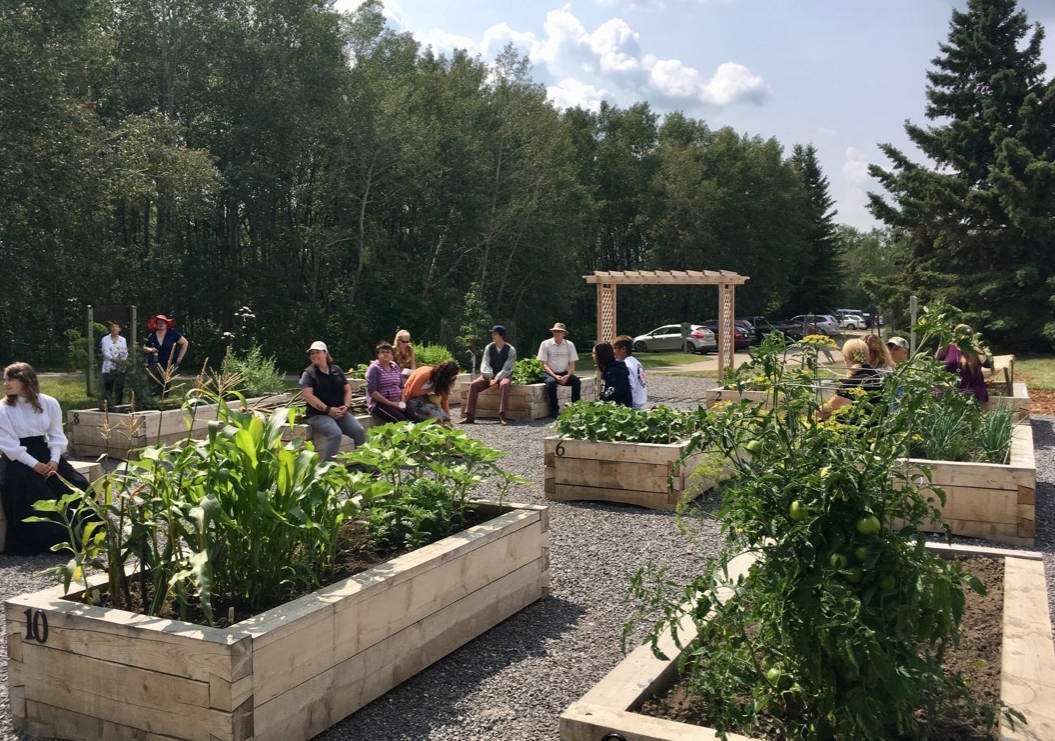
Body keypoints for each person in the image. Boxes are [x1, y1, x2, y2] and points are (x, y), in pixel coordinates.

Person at [0, 362, 91, 555]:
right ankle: (58, 541)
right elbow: (8, 445)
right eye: (5, 378)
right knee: (38, 492)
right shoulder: (3, 408)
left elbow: (56, 435)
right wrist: (34, 465)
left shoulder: (49, 402)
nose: (5, 383)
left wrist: (55, 460)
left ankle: (86, 532)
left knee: (77, 485)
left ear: (26, 380)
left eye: (11, 379)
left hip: (46, 454)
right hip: (19, 459)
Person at [300, 341, 366, 461]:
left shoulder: (336, 369)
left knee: (359, 431)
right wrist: (328, 409)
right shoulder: (308, 374)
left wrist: (346, 406)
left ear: (325, 353)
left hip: (340, 412)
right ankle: (328, 471)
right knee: (335, 434)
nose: (314, 356)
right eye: (312, 353)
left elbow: (347, 389)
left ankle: (365, 465)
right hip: (318, 414)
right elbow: (307, 395)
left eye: (317, 352)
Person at [461, 325, 517, 425]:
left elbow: (507, 368)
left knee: (504, 385)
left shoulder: (511, 350)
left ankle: (502, 415)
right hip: (489, 376)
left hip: (504, 375)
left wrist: (496, 379)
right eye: (492, 334)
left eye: (494, 334)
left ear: (501, 335)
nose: (492, 336)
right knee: (474, 385)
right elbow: (485, 364)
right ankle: (469, 416)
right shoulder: (489, 347)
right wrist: (491, 378)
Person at [817, 338, 883, 421]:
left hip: (857, 431)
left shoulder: (852, 383)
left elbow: (823, 412)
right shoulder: (876, 376)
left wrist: (814, 410)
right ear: (868, 355)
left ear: (845, 358)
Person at [537, 322, 581, 418]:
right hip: (549, 373)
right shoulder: (545, 344)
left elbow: (572, 364)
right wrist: (554, 376)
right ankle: (554, 410)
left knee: (576, 381)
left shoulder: (570, 345)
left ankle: (576, 408)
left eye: (559, 332)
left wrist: (568, 376)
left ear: (564, 334)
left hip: (564, 373)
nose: (556, 333)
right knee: (551, 383)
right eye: (555, 331)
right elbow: (544, 364)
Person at [936, 324, 990, 401]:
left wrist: (976, 349)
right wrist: (945, 383)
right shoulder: (947, 348)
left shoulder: (975, 349)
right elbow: (935, 367)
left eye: (965, 335)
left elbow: (988, 364)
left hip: (970, 389)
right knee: (936, 393)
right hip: (948, 387)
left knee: (964, 397)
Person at [366, 341, 412, 424]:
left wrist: (402, 402)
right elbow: (372, 392)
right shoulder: (374, 368)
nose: (385, 354)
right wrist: (391, 404)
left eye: (388, 352)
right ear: (378, 355)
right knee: (402, 423)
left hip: (397, 402)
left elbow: (401, 387)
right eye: (382, 352)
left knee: (415, 418)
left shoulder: (394, 366)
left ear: (392, 355)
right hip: (380, 404)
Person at [143, 314, 189, 396]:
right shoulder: (152, 335)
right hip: (154, 363)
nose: (161, 324)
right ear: (156, 324)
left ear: (166, 324)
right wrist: (151, 349)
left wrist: (180, 358)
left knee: (166, 382)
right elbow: (144, 347)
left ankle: (164, 399)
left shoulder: (172, 333)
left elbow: (185, 343)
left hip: (169, 362)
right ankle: (155, 400)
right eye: (159, 323)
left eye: (162, 322)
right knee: (154, 382)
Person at [403, 360, 459, 427]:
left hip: (425, 399)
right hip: (410, 400)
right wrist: (431, 389)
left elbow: (444, 399)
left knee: (443, 416)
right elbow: (413, 392)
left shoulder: (441, 381)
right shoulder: (426, 373)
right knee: (436, 417)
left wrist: (447, 417)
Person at [613, 335, 647, 410]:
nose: (613, 351)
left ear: (623, 349)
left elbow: (630, 387)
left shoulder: (626, 365)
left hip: (634, 405)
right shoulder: (636, 362)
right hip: (642, 402)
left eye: (615, 348)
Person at [594, 342, 632, 407]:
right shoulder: (607, 369)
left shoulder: (616, 372)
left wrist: (603, 402)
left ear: (601, 355)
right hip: (608, 407)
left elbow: (615, 393)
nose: (593, 355)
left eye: (594, 353)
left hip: (620, 410)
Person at [101, 322, 128, 407]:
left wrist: (122, 361)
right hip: (109, 366)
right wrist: (114, 359)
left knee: (120, 387)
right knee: (108, 387)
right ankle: (107, 406)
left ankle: (118, 405)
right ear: (110, 329)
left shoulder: (123, 340)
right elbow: (105, 352)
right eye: (112, 327)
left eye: (116, 328)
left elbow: (125, 352)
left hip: (120, 366)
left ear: (119, 329)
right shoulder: (105, 339)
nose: (114, 329)